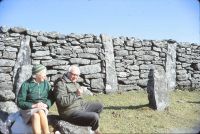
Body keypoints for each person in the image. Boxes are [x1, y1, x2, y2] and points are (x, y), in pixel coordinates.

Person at [53, 65, 103, 134]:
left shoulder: (73, 81)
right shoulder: (60, 84)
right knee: (95, 116)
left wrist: (80, 94)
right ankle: (95, 131)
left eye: (77, 75)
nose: (75, 77)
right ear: (68, 73)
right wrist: (75, 94)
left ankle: (91, 127)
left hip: (80, 106)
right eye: (74, 75)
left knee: (99, 106)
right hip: (69, 112)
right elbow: (62, 102)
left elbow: (79, 97)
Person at [17, 64, 54, 134]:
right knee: (38, 113)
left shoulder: (46, 84)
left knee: (37, 114)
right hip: (28, 109)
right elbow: (20, 102)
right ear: (37, 74)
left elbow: (51, 97)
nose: (45, 76)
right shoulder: (26, 84)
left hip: (42, 108)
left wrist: (46, 104)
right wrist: (34, 105)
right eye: (44, 73)